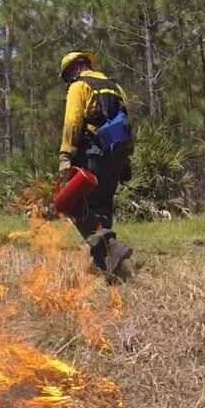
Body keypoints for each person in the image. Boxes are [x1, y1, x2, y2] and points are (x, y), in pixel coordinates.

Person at [58, 51, 134, 275]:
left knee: (77, 206)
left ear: (74, 69)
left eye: (68, 74)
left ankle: (110, 248)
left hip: (91, 155)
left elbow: (73, 121)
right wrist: (125, 159)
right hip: (115, 156)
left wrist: (65, 155)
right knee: (103, 206)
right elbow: (126, 124)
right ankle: (107, 268)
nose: (69, 79)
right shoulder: (115, 87)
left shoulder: (79, 86)